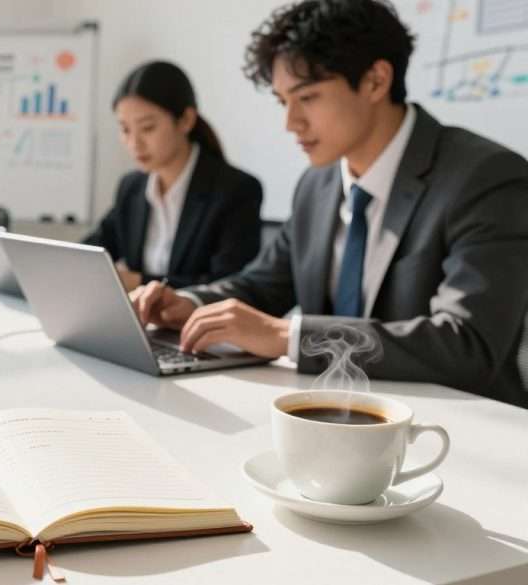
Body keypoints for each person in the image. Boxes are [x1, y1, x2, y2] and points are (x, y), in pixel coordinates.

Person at [132, 0, 528, 408]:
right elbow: (263, 284)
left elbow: (469, 344)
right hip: (333, 417)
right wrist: (190, 303)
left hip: (457, 428)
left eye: (308, 97)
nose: (291, 123)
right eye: (283, 101)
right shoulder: (317, 184)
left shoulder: (485, 177)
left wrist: (288, 337)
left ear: (376, 81)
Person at [84, 61, 262, 292]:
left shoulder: (236, 190)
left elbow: (229, 284)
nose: (134, 143)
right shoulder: (132, 187)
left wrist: (139, 282)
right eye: (125, 129)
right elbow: (92, 251)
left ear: (186, 120)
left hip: (198, 325)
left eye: (147, 128)